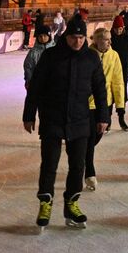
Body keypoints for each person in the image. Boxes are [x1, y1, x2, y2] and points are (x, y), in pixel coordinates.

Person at [23, 14, 108, 229]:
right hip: (53, 116)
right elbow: (36, 87)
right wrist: (29, 114)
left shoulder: (91, 58)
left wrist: (103, 117)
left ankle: (71, 203)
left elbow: (99, 89)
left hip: (80, 119)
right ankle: (45, 202)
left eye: (81, 38)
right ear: (66, 36)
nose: (77, 42)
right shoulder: (51, 56)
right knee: (49, 164)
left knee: (77, 165)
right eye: (73, 37)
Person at [84, 27, 126, 191]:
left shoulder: (114, 56)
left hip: (104, 104)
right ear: (96, 40)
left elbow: (118, 81)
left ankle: (82, 156)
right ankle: (89, 172)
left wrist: (120, 106)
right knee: (89, 138)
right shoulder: (87, 55)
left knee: (96, 137)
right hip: (87, 104)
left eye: (110, 39)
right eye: (106, 39)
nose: (109, 42)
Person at [109, 15, 128, 130]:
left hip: (123, 70)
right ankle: (108, 119)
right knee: (109, 94)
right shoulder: (109, 38)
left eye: (120, 29)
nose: (118, 31)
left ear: (123, 28)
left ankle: (121, 118)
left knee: (122, 94)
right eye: (116, 29)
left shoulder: (127, 38)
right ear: (113, 28)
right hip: (110, 71)